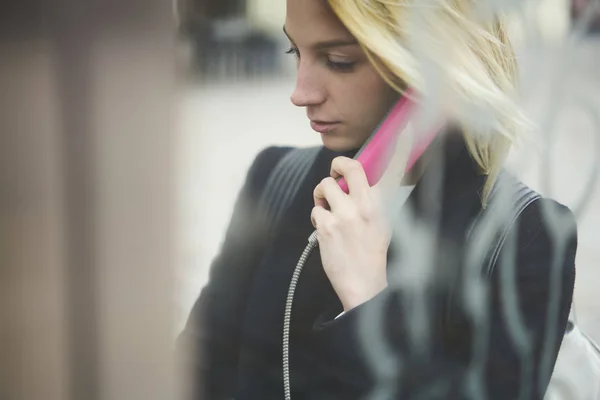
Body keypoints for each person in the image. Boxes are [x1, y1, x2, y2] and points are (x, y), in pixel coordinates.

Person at [176, 0, 578, 399]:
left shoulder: (524, 239)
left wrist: (369, 303)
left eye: (338, 60)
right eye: (294, 51)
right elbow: (190, 375)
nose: (301, 93)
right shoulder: (275, 181)